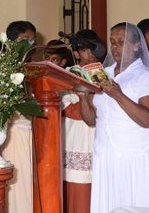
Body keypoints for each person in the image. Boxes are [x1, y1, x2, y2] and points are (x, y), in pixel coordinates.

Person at [76, 22, 149, 212]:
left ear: (136, 45)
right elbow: (92, 120)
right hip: (106, 155)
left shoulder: (145, 77)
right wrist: (82, 97)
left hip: (134, 157)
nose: (115, 46)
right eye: (112, 42)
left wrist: (118, 95)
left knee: (132, 204)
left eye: (121, 42)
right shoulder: (102, 74)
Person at [60, 29, 99, 213]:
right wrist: (92, 100)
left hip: (100, 140)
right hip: (79, 141)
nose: (90, 54)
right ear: (76, 53)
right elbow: (70, 109)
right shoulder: (70, 75)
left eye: (93, 49)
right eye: (85, 50)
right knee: (79, 200)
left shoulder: (108, 73)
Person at [1, 20, 36, 213]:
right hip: (16, 135)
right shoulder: (3, 68)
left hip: (36, 135)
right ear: (11, 42)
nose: (31, 45)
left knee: (32, 188)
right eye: (25, 40)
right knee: (19, 192)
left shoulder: (35, 67)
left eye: (33, 40)